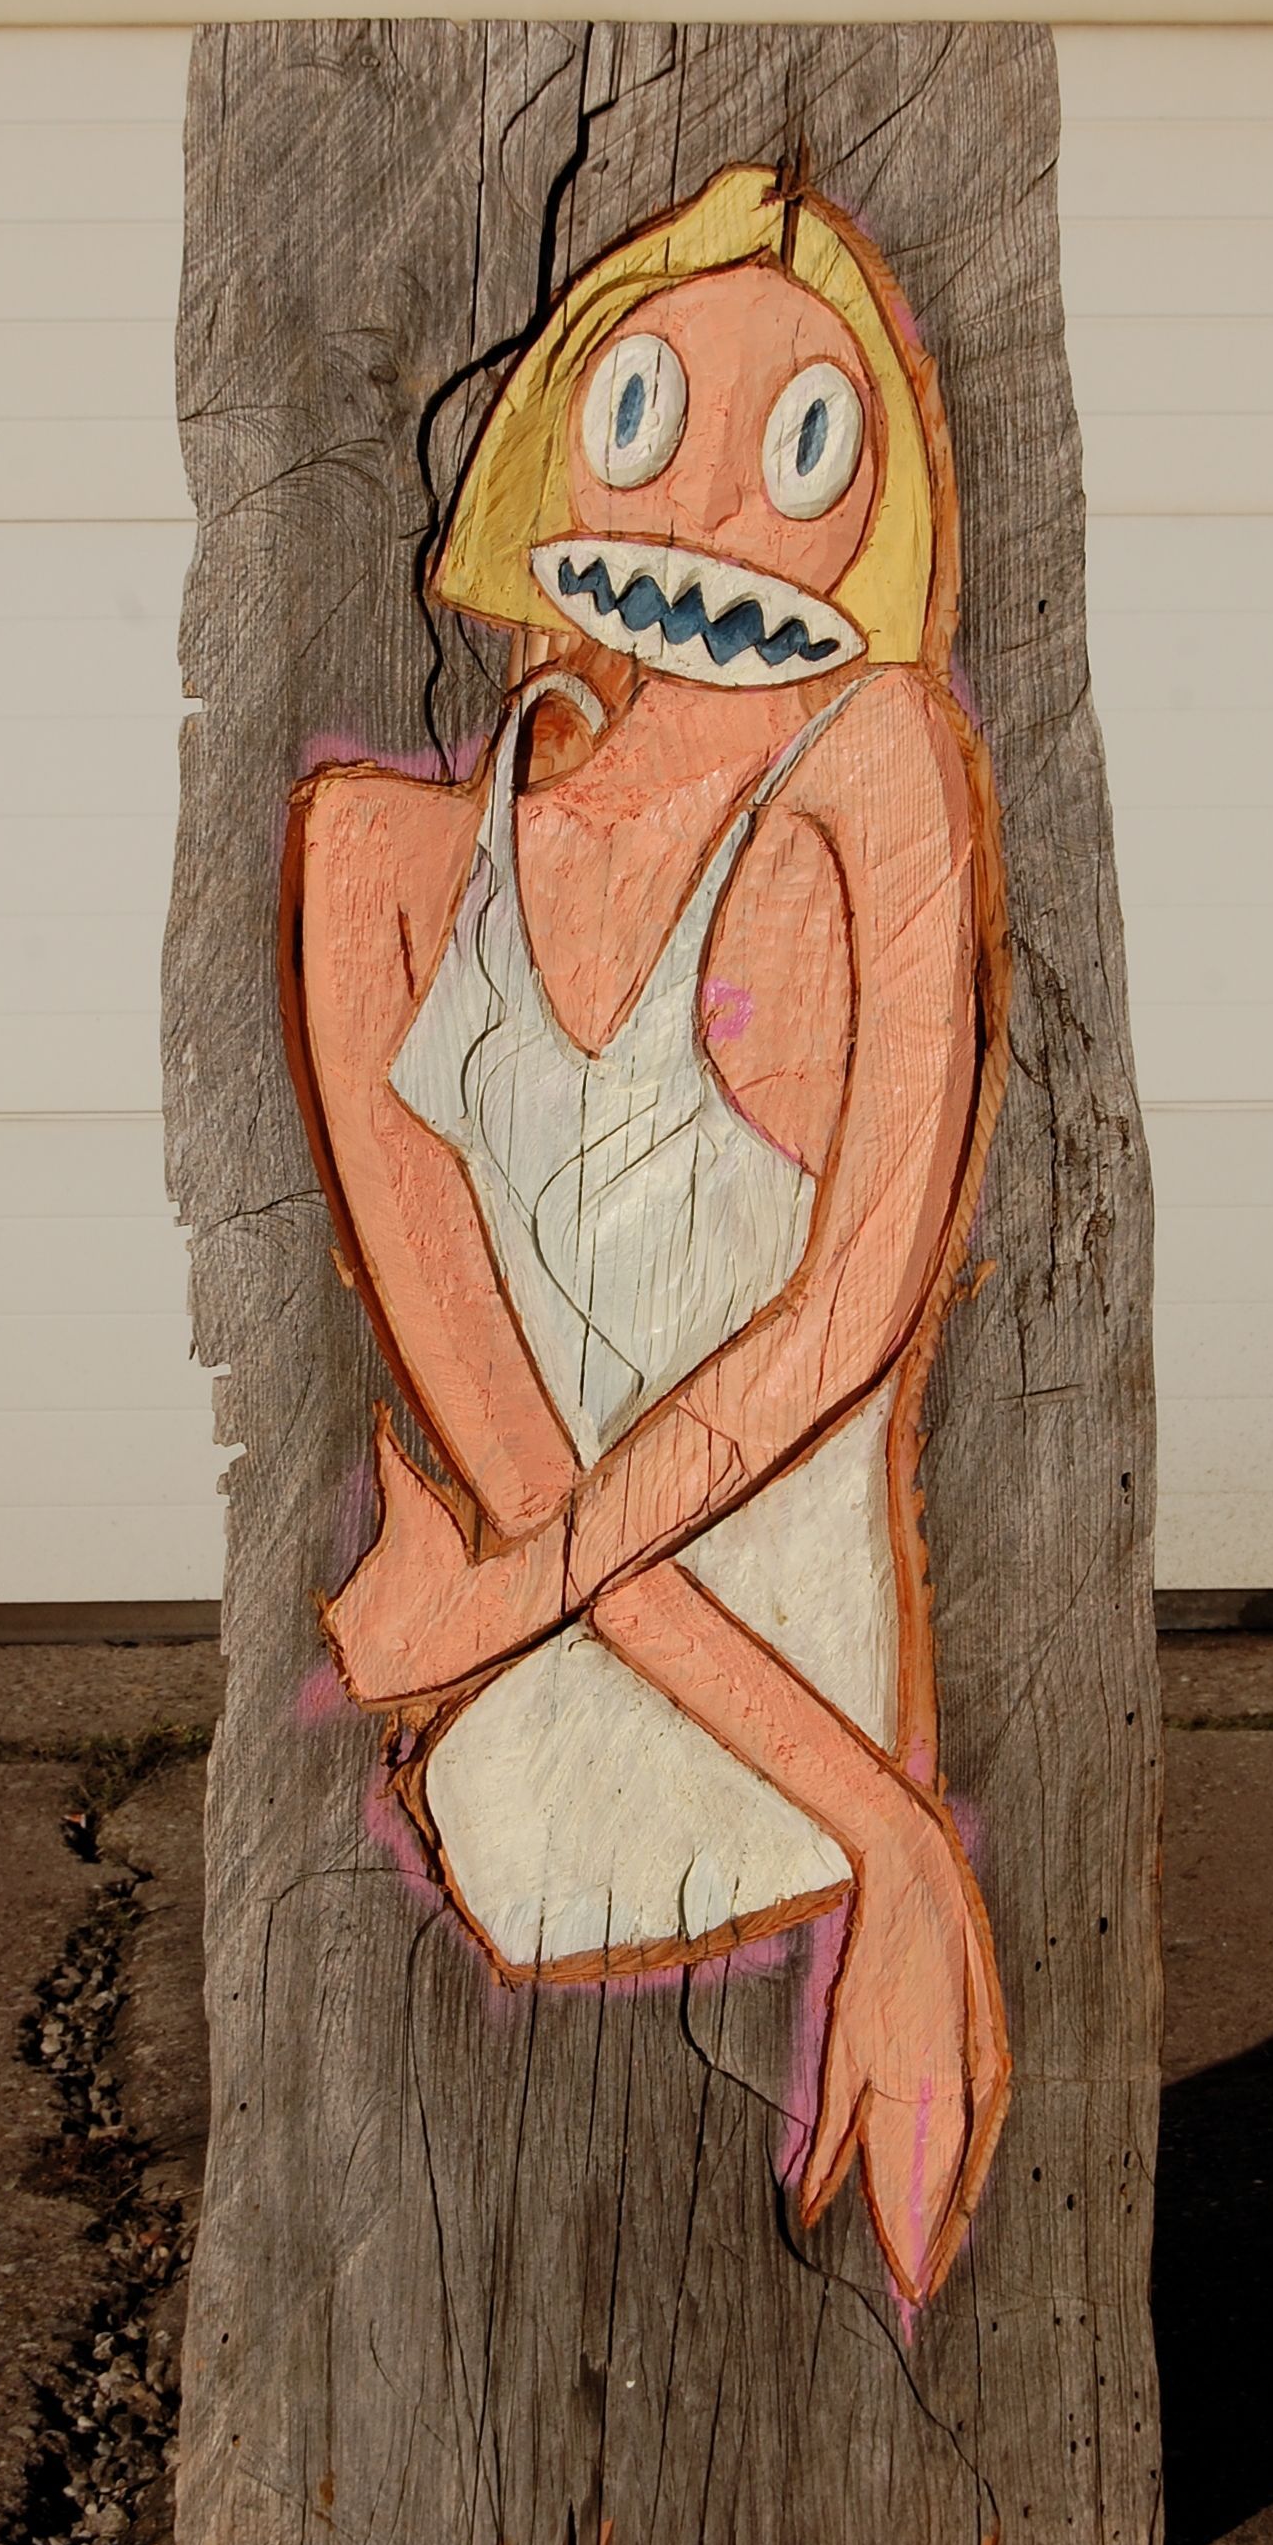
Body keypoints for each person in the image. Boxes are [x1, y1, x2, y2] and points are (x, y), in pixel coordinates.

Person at [284, 163, 1012, 2306]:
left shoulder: (876, 765)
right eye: (646, 415)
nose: (704, 508)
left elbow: (849, 1321)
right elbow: (497, 1424)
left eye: (800, 442)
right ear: (550, 440)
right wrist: (889, 1828)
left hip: (732, 1712)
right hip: (543, 1772)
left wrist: (506, 1603)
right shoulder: (376, 859)